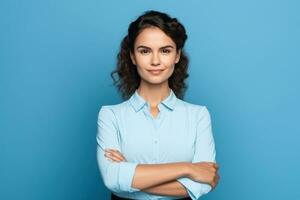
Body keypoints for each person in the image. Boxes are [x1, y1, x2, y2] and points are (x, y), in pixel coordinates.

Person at [96, 10, 220, 200]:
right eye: (145, 51)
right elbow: (112, 179)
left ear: (177, 55)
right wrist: (187, 168)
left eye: (165, 50)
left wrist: (131, 174)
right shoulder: (110, 115)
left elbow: (203, 183)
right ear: (132, 56)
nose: (155, 61)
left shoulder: (198, 116)